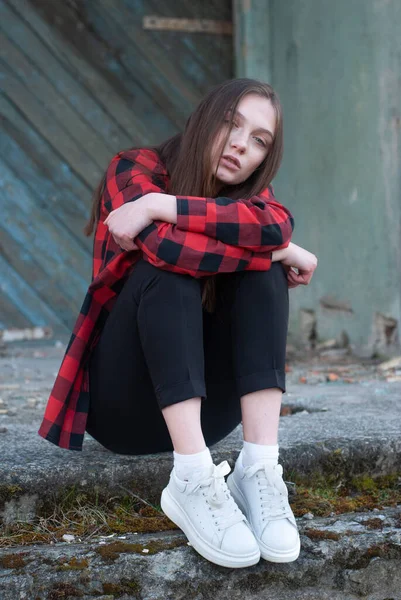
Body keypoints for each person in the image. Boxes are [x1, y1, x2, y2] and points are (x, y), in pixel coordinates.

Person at [38, 78, 317, 569]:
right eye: (232, 124)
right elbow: (165, 249)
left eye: (259, 141)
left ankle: (258, 469)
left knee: (263, 274)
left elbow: (275, 225)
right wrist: (277, 252)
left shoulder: (251, 197)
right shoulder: (133, 168)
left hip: (213, 412)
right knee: (172, 271)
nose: (240, 145)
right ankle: (190, 478)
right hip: (123, 407)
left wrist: (157, 207)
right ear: (203, 119)